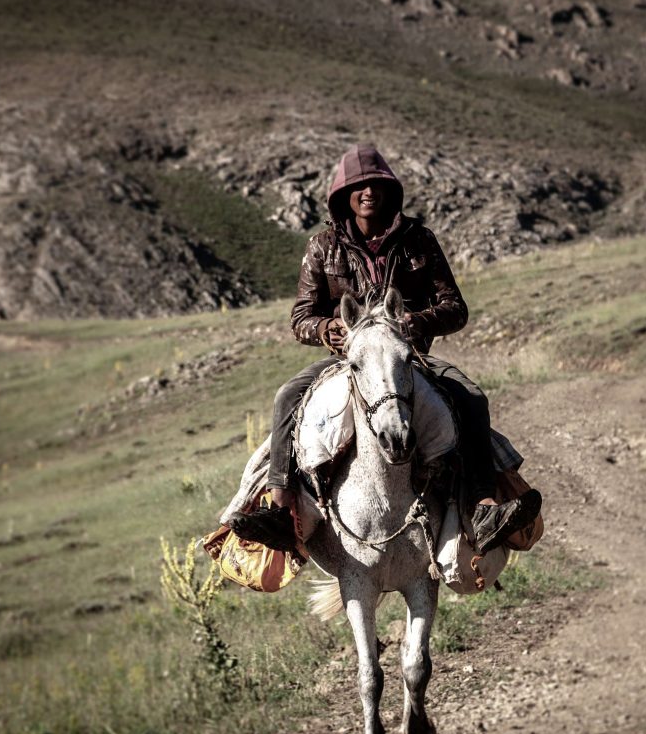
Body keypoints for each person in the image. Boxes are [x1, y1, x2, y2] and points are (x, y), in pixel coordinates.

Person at [229, 144, 541, 553]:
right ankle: (281, 508)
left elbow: (455, 308)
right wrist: (327, 328)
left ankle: (482, 507)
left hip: (408, 358)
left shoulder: (419, 241)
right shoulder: (323, 246)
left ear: (390, 190)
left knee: (472, 398)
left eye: (376, 184)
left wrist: (414, 323)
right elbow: (300, 318)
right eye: (358, 186)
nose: (368, 191)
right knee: (287, 395)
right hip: (349, 361)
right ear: (343, 195)